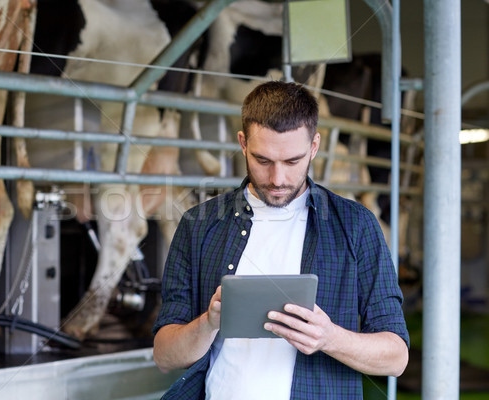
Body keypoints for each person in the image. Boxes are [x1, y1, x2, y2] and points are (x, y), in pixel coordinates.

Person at [152, 81, 409, 399]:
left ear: (314, 146)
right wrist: (208, 322)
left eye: (292, 161)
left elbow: (396, 357)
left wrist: (329, 338)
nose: (277, 179)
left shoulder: (356, 226)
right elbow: (164, 354)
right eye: (263, 160)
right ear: (243, 143)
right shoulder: (199, 225)